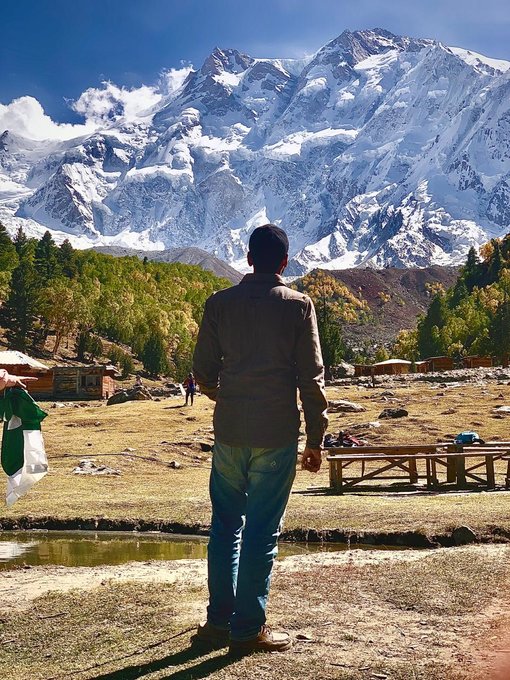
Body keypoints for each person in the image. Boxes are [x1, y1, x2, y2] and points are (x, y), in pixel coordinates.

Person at [192, 224, 328, 656]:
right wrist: (315, 439)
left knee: (226, 527)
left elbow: (203, 372)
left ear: (248, 259)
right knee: (261, 533)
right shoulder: (298, 306)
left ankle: (218, 621)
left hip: (230, 433)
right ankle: (248, 628)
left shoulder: (219, 304)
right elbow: (311, 377)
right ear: (285, 263)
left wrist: (221, 393)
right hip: (276, 435)